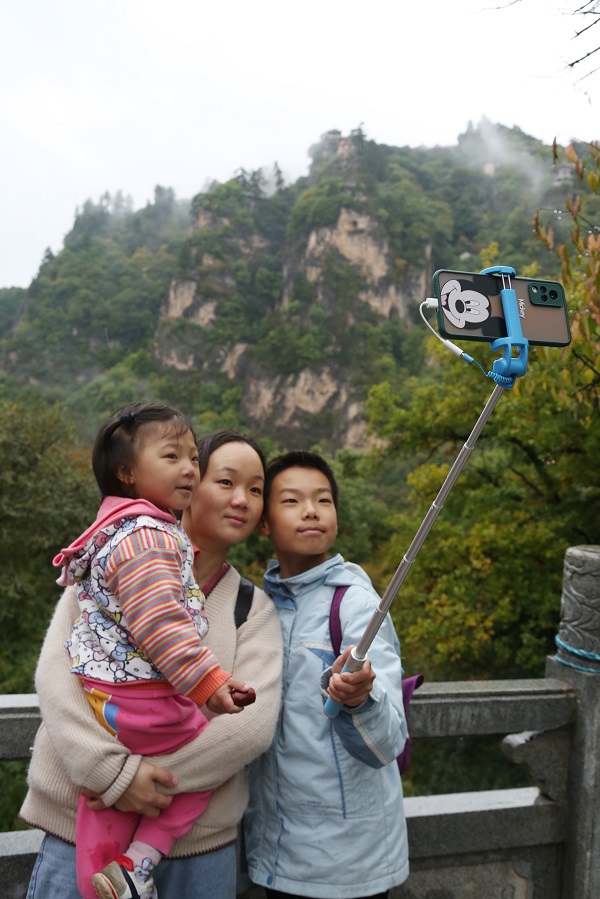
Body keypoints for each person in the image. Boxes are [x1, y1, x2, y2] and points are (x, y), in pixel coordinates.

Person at [21, 429, 283, 899]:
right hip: (75, 828)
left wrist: (146, 784)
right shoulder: (112, 558)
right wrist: (115, 778)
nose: (242, 499)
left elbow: (251, 727)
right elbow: (56, 678)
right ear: (185, 481)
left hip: (198, 851)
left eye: (256, 489)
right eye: (225, 481)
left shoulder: (252, 608)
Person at [244, 450, 409, 899]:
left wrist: (359, 700)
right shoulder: (259, 606)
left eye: (323, 500)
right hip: (274, 850)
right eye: (292, 501)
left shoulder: (355, 606)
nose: (312, 511)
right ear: (264, 522)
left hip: (347, 864)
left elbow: (389, 742)